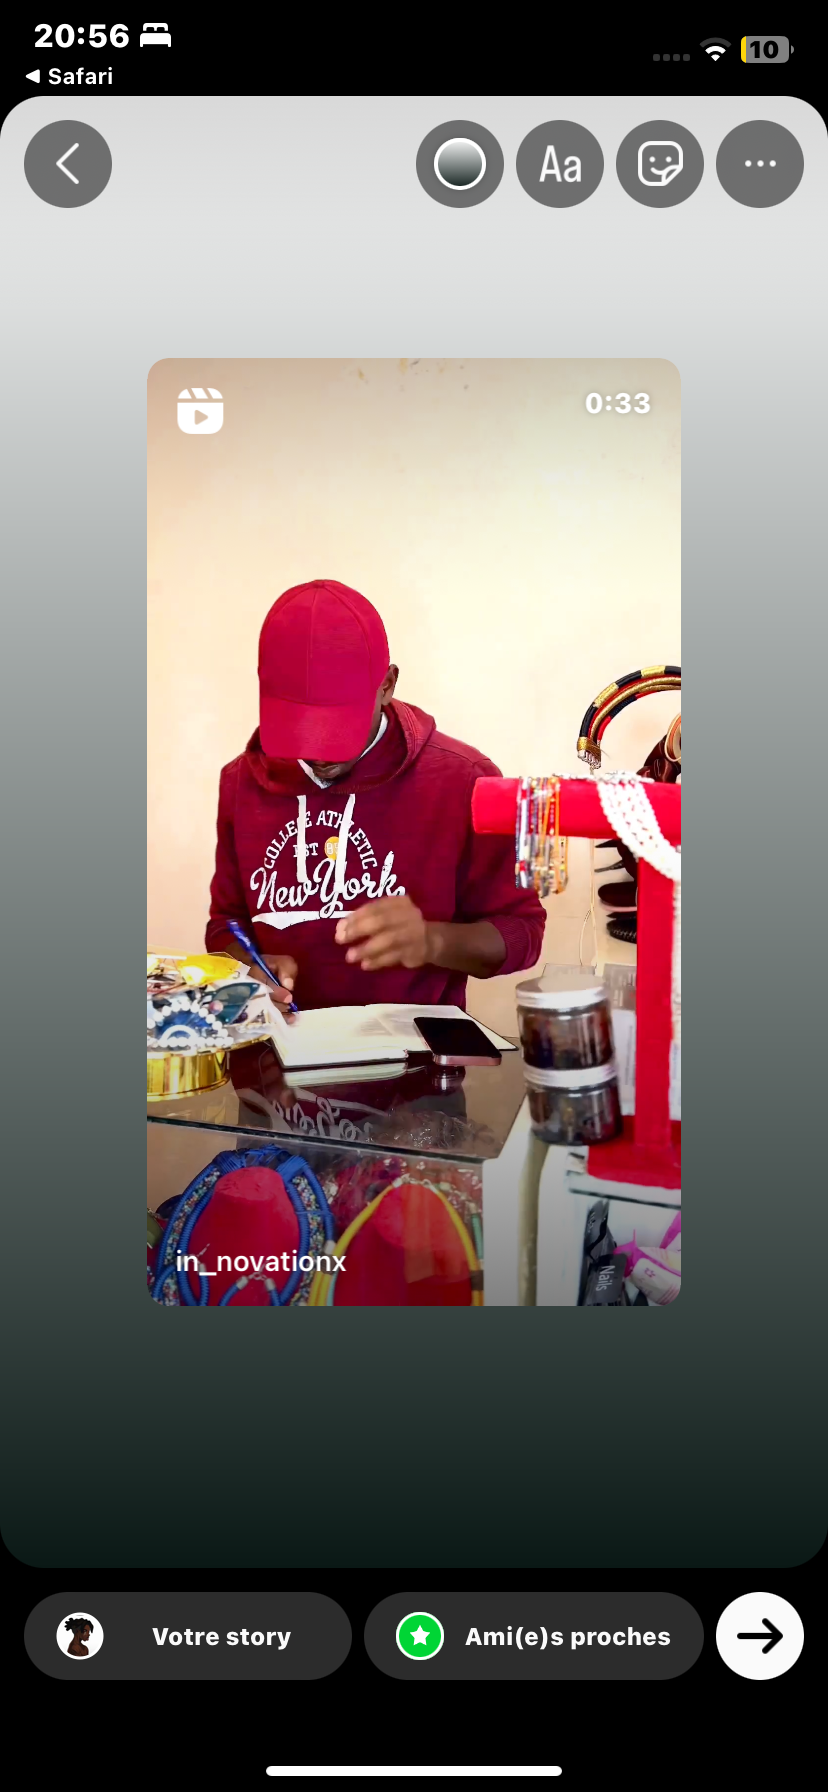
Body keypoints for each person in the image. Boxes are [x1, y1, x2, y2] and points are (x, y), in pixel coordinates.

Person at [206, 579, 545, 1012]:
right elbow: (226, 927)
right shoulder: (240, 782)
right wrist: (247, 966)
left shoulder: (466, 779)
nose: (317, 753)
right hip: (280, 1045)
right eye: (298, 727)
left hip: (414, 1051)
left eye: (335, 729)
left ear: (387, 684)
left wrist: (433, 941)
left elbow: (523, 933)